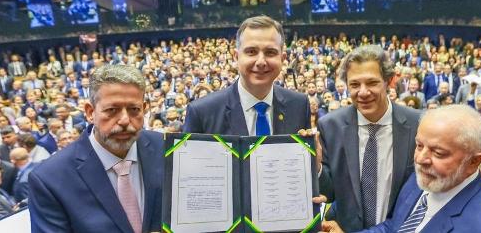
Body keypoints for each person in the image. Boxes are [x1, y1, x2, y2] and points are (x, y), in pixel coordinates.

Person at [319, 105, 481, 233]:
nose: (420, 159)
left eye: (438, 153)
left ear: (474, 161)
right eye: (419, 145)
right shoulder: (426, 177)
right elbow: (393, 227)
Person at [28, 64, 163, 233]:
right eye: (112, 110)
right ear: (90, 112)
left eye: (134, 109)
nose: (124, 120)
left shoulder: (167, 149)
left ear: (144, 109)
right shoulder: (50, 179)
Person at [315, 45, 421, 231]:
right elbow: (329, 193)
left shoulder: (417, 124)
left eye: (372, 83)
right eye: (355, 84)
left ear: (389, 81)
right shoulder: (330, 126)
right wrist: (316, 167)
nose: (363, 92)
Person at [183, 15, 310, 136]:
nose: (261, 62)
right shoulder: (202, 112)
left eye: (270, 52)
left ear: (282, 59)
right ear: (236, 57)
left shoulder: (299, 106)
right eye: (251, 52)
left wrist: (314, 157)